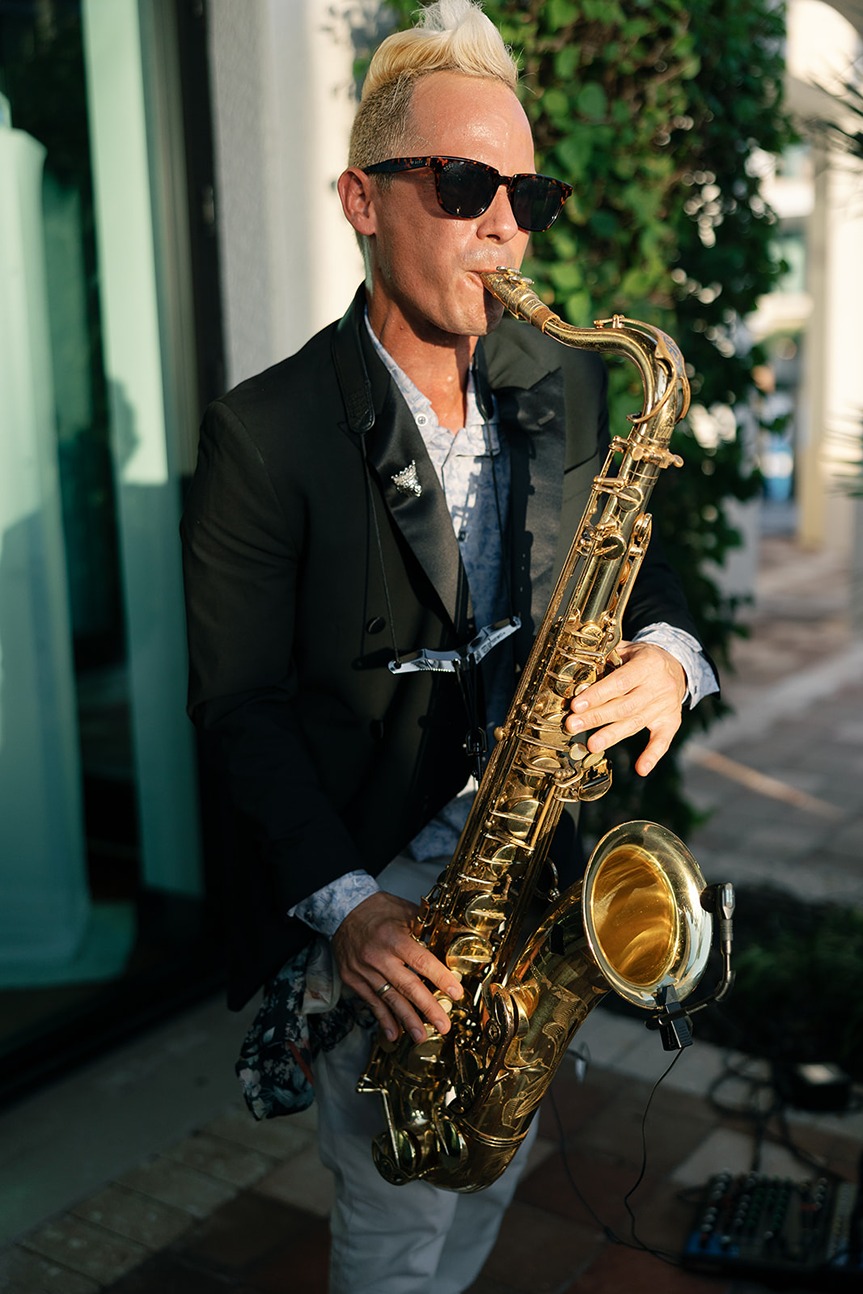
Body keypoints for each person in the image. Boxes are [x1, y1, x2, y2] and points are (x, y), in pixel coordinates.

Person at [181, 2, 717, 1290]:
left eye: (528, 195)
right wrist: (351, 911)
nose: (506, 228)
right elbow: (240, 708)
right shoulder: (266, 433)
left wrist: (669, 655)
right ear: (361, 200)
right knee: (394, 1230)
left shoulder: (562, 381)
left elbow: (648, 571)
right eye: (468, 186)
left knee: (489, 1180)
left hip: (528, 879)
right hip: (390, 912)